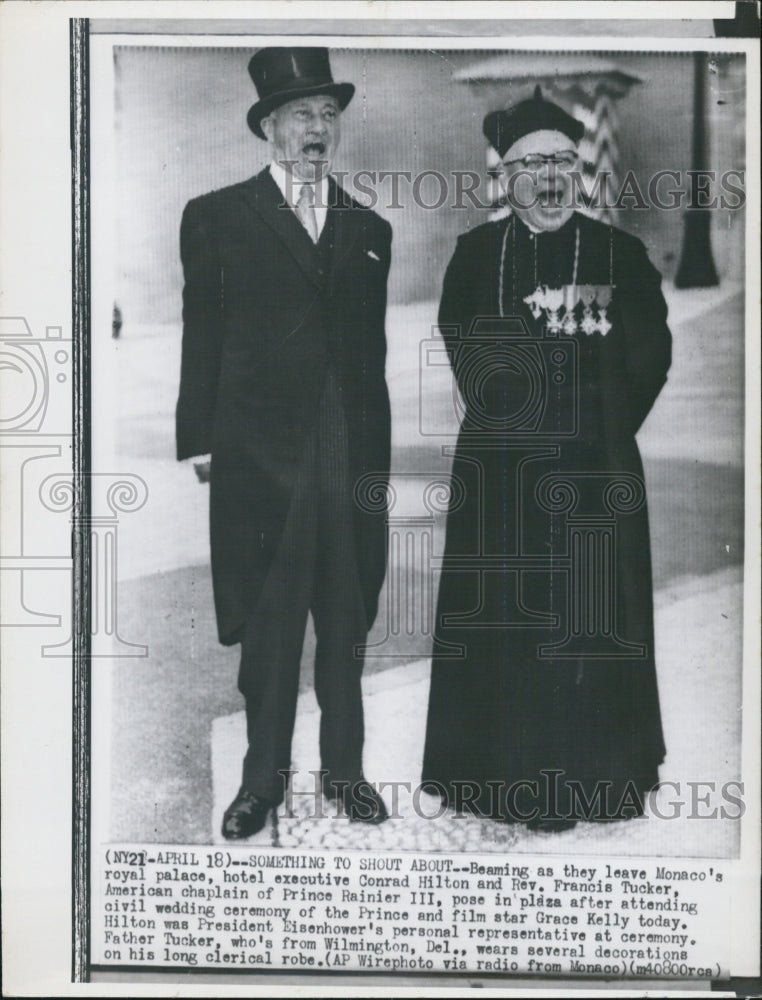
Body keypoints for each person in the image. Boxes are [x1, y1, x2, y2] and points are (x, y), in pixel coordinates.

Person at [422, 87, 672, 831]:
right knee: (508, 620)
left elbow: (648, 356)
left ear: (580, 170)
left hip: (597, 473)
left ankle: (599, 781)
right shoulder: (474, 256)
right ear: (507, 179)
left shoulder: (618, 254)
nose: (552, 176)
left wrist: (594, 430)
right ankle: (503, 782)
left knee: (593, 618)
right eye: (534, 164)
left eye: (564, 160)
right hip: (502, 474)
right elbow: (463, 347)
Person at [176, 47, 393, 838]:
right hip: (257, 457)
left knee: (346, 621)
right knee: (268, 627)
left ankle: (346, 772)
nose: (318, 128)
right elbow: (203, 332)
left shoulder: (371, 227)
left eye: (329, 114)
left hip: (348, 455)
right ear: (268, 126)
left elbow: (368, 358)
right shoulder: (217, 216)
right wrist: (200, 440)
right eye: (301, 114)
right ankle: (260, 783)